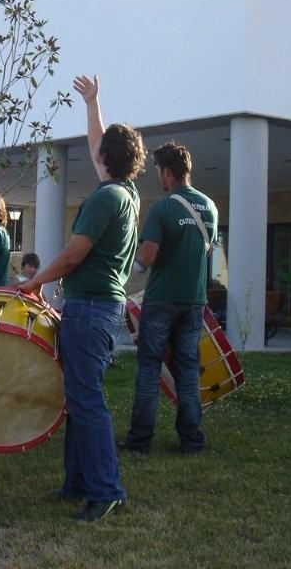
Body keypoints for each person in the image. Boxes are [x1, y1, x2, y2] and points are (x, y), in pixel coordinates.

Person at [16, 74, 144, 523]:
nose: (95, 153)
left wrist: (36, 281)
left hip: (90, 310)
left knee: (87, 400)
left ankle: (106, 490)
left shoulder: (105, 199)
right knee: (78, 397)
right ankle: (77, 483)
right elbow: (97, 146)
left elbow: (74, 255)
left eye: (100, 150)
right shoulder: (127, 192)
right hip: (100, 308)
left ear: (106, 158)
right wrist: (93, 103)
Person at [122, 140, 217, 456]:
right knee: (187, 369)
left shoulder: (162, 209)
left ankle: (140, 441)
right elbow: (206, 250)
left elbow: (147, 256)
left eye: (158, 172)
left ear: (166, 172)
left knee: (149, 368)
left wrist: (133, 264)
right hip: (194, 300)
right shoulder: (210, 207)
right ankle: (191, 440)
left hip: (161, 299)